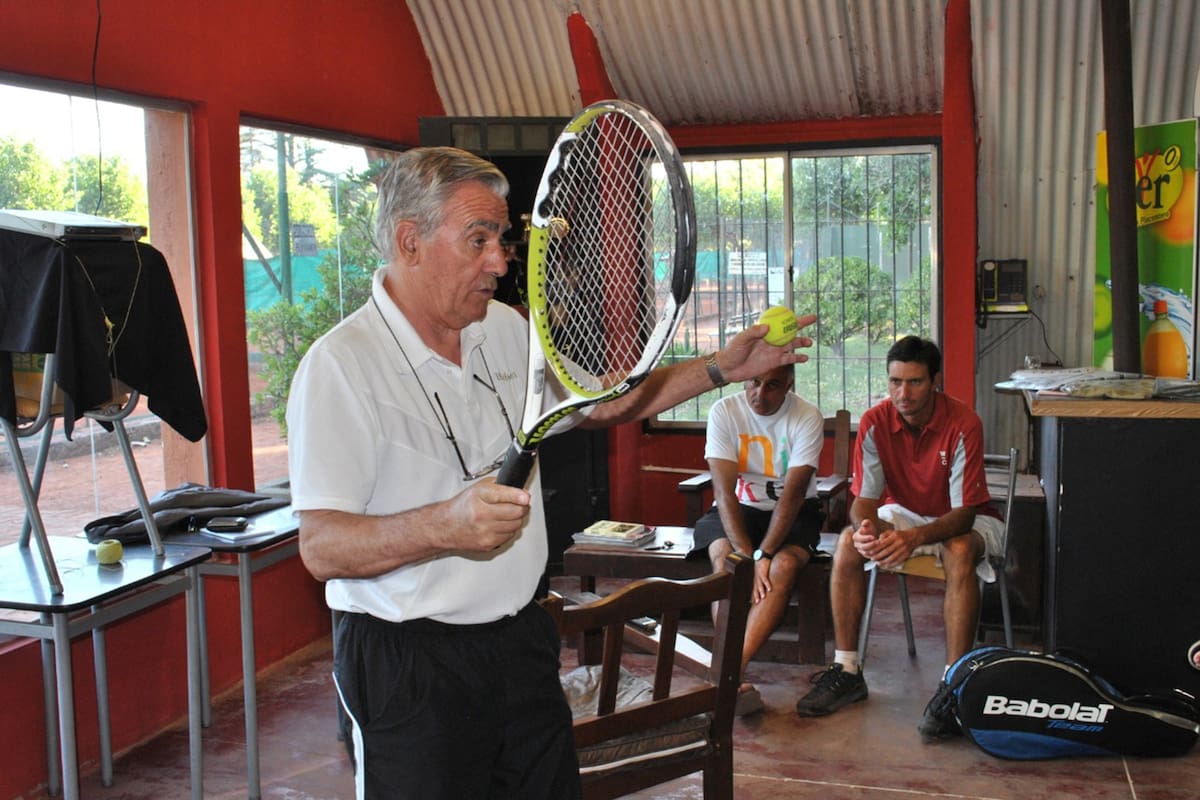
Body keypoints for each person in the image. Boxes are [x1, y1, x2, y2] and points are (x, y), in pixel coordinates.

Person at [285, 146, 816, 799]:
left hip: (521, 643)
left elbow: (608, 401)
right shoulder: (340, 369)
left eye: (501, 240)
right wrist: (443, 526)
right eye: (478, 239)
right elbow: (322, 547)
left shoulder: (504, 330)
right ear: (409, 241)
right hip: (409, 664)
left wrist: (721, 368)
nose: (500, 261)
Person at [792, 336, 1003, 743]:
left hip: (970, 519)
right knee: (851, 541)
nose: (902, 394)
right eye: (894, 382)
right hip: (906, 511)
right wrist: (867, 526)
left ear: (935, 381)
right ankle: (848, 670)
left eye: (914, 382)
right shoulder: (875, 421)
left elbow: (964, 514)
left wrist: (912, 537)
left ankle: (953, 688)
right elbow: (864, 501)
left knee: (959, 549)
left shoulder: (963, 422)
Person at [691, 363, 825, 715]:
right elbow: (723, 491)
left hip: (793, 512)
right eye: (754, 382)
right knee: (726, 563)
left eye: (772, 386)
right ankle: (730, 677)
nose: (760, 395)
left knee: (781, 568)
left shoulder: (806, 416)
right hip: (739, 508)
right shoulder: (725, 411)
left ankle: (724, 674)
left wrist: (763, 555)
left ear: (789, 386)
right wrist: (748, 558)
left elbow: (794, 495)